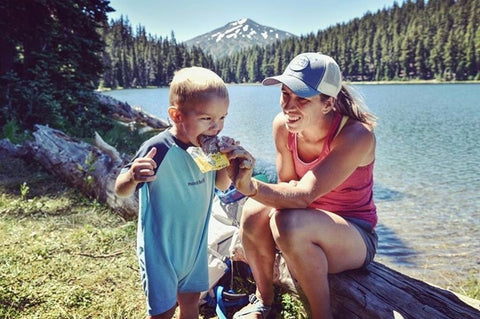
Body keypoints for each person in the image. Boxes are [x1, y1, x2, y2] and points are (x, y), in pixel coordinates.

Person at [230, 53, 379, 319]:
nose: (289, 106)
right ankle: (264, 301)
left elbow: (302, 196)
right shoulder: (283, 127)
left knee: (287, 223)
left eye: (302, 99)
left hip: (354, 235)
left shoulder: (356, 135)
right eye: (285, 94)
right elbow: (287, 185)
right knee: (253, 212)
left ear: (327, 103)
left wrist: (249, 185)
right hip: (306, 220)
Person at [114, 66, 254, 319]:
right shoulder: (158, 147)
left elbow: (221, 185)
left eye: (222, 118)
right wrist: (132, 177)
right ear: (176, 115)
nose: (216, 127)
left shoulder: (209, 150)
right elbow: (120, 190)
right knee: (164, 311)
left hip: (196, 246)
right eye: (206, 119)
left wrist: (229, 162)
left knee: (191, 301)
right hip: (162, 250)